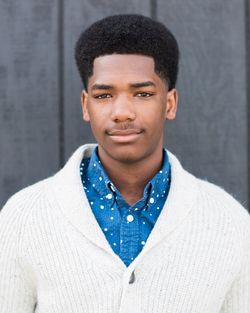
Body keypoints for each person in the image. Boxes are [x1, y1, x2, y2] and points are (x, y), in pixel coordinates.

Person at [0, 14, 249, 313]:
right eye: (104, 95)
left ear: (169, 104)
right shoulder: (24, 216)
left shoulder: (229, 223)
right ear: (85, 105)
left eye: (142, 93)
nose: (122, 112)